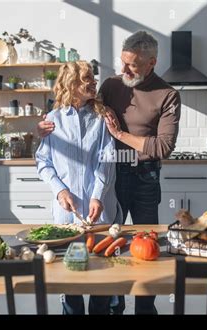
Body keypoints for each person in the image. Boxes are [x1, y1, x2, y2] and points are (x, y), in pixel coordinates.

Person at [38, 31, 181, 314]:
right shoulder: (112, 85)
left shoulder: (167, 95)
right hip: (112, 179)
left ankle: (143, 309)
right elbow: (75, 107)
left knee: (145, 248)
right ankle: (113, 308)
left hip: (143, 178)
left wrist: (119, 134)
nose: (123, 71)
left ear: (151, 62)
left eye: (132, 66)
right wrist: (38, 131)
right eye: (122, 62)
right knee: (108, 248)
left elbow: (163, 147)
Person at [36, 61, 122, 315]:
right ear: (72, 85)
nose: (94, 82)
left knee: (101, 280)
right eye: (87, 79)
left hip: (102, 211)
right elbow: (43, 162)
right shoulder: (52, 120)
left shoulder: (101, 116)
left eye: (93, 78)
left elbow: (107, 159)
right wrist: (60, 190)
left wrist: (97, 195)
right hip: (67, 216)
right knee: (70, 281)